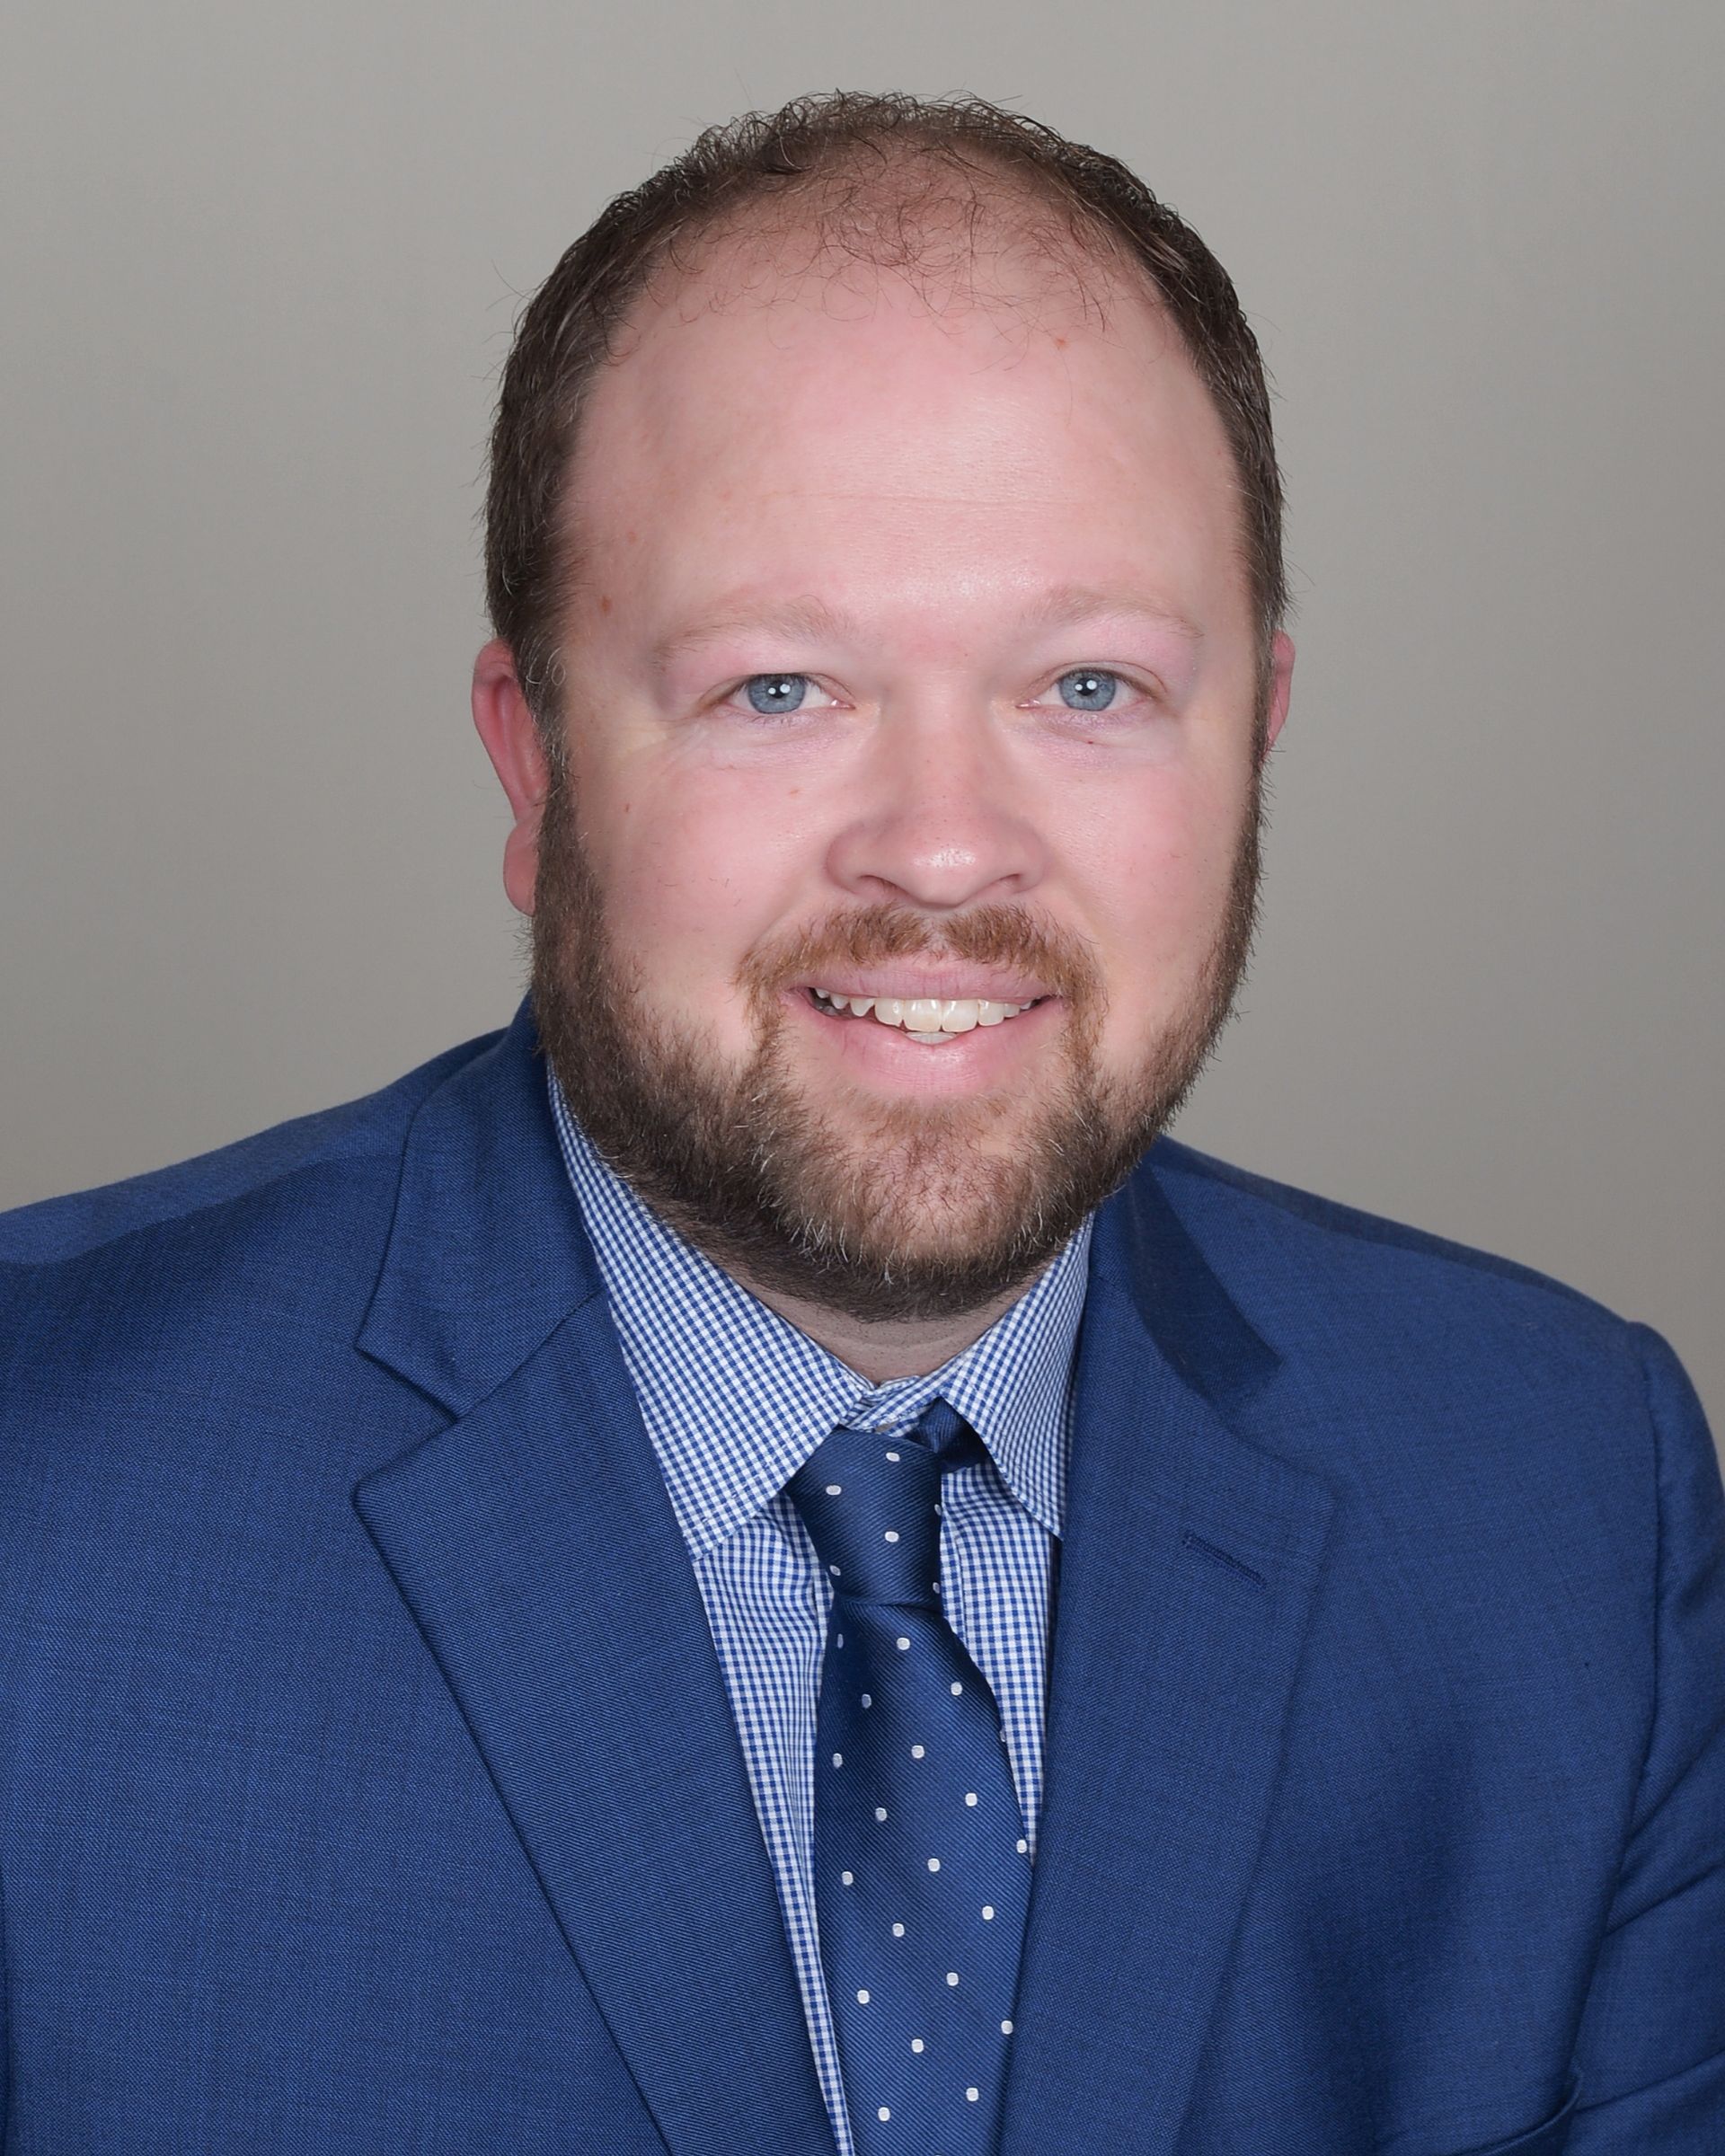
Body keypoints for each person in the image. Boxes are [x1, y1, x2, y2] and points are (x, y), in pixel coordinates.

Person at [0, 89, 1719, 2156]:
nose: (942, 852)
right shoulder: (42, 1494)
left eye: (1086, 686)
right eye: (780, 689)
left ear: (1256, 731)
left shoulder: (1562, 1506)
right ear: (531, 758)